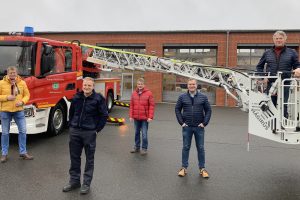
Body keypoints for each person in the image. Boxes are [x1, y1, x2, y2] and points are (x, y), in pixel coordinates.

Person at [62, 77, 108, 195]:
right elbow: (71, 112)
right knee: (74, 157)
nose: (86, 87)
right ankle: (74, 181)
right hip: (75, 132)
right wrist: (72, 126)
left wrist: (96, 130)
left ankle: (86, 183)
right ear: (82, 85)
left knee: (89, 159)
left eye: (89, 85)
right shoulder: (77, 97)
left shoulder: (98, 99)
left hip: (89, 132)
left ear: (93, 87)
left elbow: (103, 115)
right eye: (85, 85)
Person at [256, 30, 300, 118]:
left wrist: (298, 69)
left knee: (283, 105)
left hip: (285, 83)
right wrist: (263, 77)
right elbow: (259, 67)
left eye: (280, 38)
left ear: (285, 40)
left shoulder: (292, 52)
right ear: (273, 40)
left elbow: (297, 65)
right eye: (276, 38)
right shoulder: (267, 53)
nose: (278, 40)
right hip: (271, 83)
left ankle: (283, 126)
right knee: (270, 105)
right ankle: (271, 127)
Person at [175, 78, 211, 178]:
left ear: (196, 85)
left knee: (200, 148)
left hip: (199, 127)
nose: (192, 86)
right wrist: (181, 122)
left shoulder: (203, 97)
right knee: (186, 147)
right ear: (187, 86)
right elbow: (177, 109)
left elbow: (208, 110)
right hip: (187, 127)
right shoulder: (182, 97)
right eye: (190, 84)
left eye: (193, 84)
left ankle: (202, 169)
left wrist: (204, 123)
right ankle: (183, 168)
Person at [0, 66, 33, 163]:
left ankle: (23, 152)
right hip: (5, 111)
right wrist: (7, 97)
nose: (12, 75)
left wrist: (22, 102)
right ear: (7, 73)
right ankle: (4, 154)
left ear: (16, 73)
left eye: (14, 73)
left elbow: (27, 95)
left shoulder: (22, 83)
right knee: (5, 133)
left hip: (19, 110)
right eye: (10, 73)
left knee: (23, 131)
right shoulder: (1, 83)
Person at [129, 78, 155, 155]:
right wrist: (131, 116)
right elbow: (131, 106)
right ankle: (136, 147)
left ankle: (144, 148)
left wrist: (150, 117)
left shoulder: (149, 93)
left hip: (145, 118)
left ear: (144, 85)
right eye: (138, 84)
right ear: (137, 85)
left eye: (141, 84)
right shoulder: (134, 93)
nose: (140, 85)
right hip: (136, 117)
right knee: (136, 133)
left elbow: (152, 106)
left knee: (144, 134)